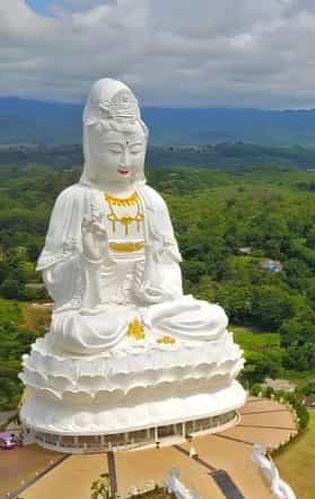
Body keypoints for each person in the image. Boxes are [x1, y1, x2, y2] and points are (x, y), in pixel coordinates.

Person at [37, 79, 228, 355]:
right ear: (92, 148)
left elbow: (168, 266)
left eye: (134, 150)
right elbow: (54, 278)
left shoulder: (151, 200)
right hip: (98, 313)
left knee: (213, 319)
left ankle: (144, 326)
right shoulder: (75, 200)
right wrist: (89, 260)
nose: (125, 161)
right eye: (114, 150)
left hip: (150, 307)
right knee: (81, 334)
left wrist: (157, 294)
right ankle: (132, 329)